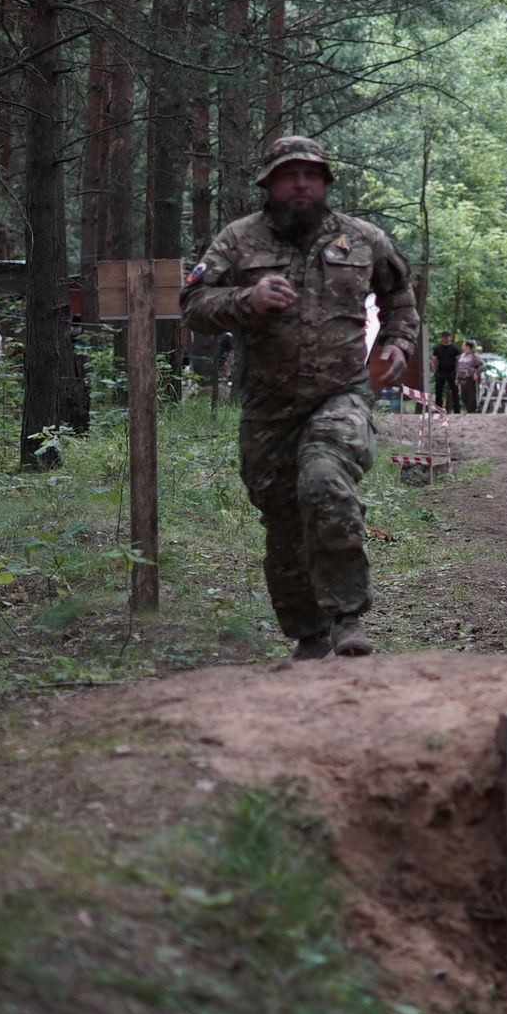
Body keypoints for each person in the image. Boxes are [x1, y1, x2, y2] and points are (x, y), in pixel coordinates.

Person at [183, 135, 417, 659]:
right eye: (290, 175)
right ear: (268, 184)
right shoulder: (238, 240)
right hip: (266, 407)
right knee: (284, 517)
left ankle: (346, 617)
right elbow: (194, 303)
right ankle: (308, 634)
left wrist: (398, 344)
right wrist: (248, 298)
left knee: (324, 480)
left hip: (341, 395)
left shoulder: (363, 239)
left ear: (326, 182)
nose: (302, 184)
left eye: (312, 174)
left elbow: (400, 299)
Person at [432, 331, 464, 412]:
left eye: (447, 337)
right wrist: (434, 370)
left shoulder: (454, 348)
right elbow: (434, 360)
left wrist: (457, 372)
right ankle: (438, 409)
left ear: (450, 337)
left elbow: (459, 360)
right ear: (442, 338)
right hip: (440, 372)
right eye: (444, 337)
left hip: (452, 372)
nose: (446, 338)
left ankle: (457, 409)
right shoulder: (437, 348)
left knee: (455, 391)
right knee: (439, 391)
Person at [455, 339, 484, 413]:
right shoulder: (462, 356)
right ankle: (468, 410)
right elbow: (458, 367)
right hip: (462, 378)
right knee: (463, 396)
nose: (462, 346)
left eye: (464, 345)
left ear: (468, 347)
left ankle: (473, 412)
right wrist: (457, 377)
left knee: (471, 397)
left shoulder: (474, 356)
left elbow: (482, 365)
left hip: (470, 378)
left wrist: (476, 373)